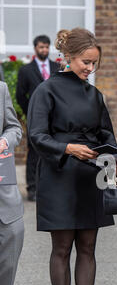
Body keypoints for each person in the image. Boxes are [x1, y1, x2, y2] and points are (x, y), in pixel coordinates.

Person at [27, 28, 117, 285]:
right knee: (62, 248)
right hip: (59, 176)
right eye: (85, 62)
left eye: (95, 64)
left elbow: (107, 133)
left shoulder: (94, 95)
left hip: (89, 177)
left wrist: (113, 153)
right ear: (68, 57)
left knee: (89, 248)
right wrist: (68, 149)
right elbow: (36, 135)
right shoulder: (46, 90)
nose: (90, 69)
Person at [16, 35, 60, 202]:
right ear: (35, 48)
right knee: (34, 152)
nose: (45, 50)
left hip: (56, 118)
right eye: (41, 47)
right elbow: (20, 95)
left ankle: (52, 187)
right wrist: (32, 112)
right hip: (35, 119)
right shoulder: (25, 71)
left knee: (55, 150)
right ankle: (32, 189)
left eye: (47, 47)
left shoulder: (57, 67)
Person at [0, 81, 24, 285]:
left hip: (5, 201)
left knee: (4, 272)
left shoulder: (2, 89)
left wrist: (6, 140)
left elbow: (14, 127)